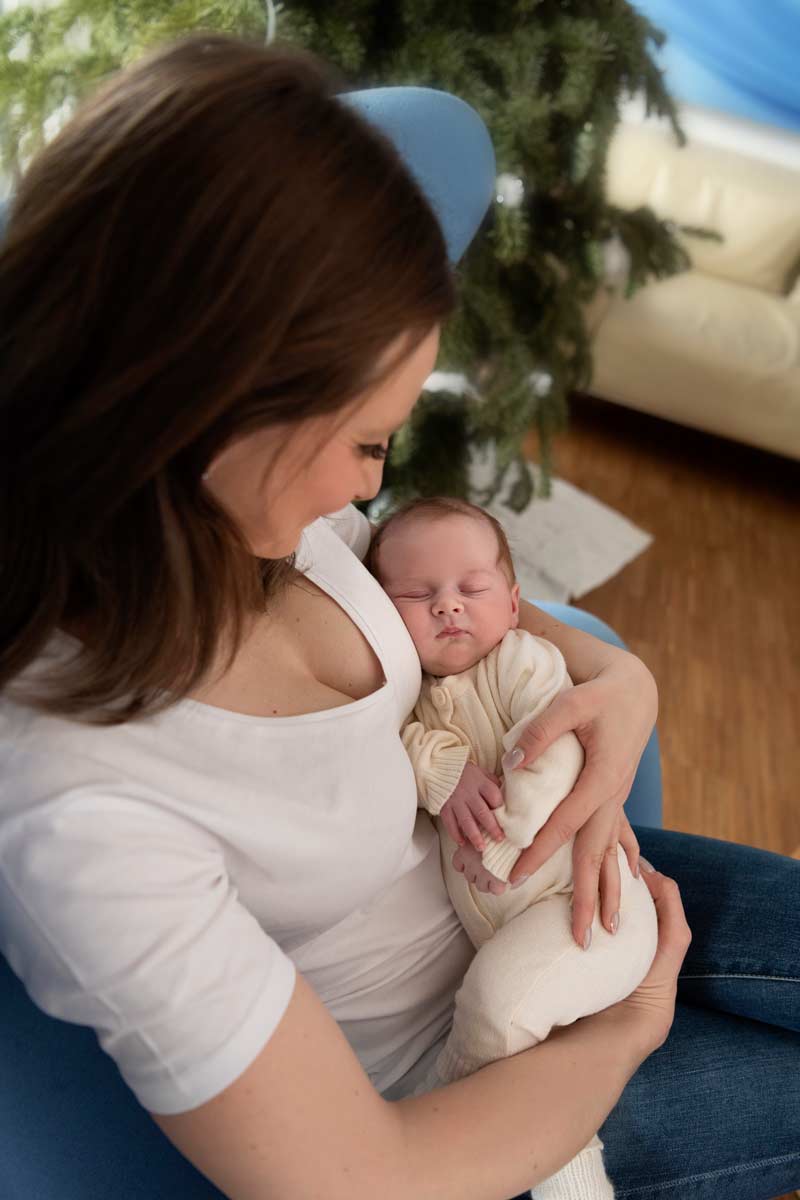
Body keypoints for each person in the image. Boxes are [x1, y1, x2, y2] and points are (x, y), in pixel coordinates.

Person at [0, 30, 797, 1200]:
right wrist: (620, 1033)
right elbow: (364, 1178)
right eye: (366, 441)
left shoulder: (248, 518)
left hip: (523, 889)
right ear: (209, 407)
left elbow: (443, 599)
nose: (369, 489)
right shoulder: (79, 812)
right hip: (461, 1078)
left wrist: (618, 681)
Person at [367, 494, 661, 1198]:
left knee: (497, 1008)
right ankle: (574, 1178)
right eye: (417, 595)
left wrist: (503, 848)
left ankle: (431, 1122)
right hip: (525, 930)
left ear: (516, 600)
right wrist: (444, 774)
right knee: (524, 1049)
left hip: (589, 906)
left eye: (472, 589)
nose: (449, 607)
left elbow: (556, 755)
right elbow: (403, 745)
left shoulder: (523, 663)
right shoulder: (407, 701)